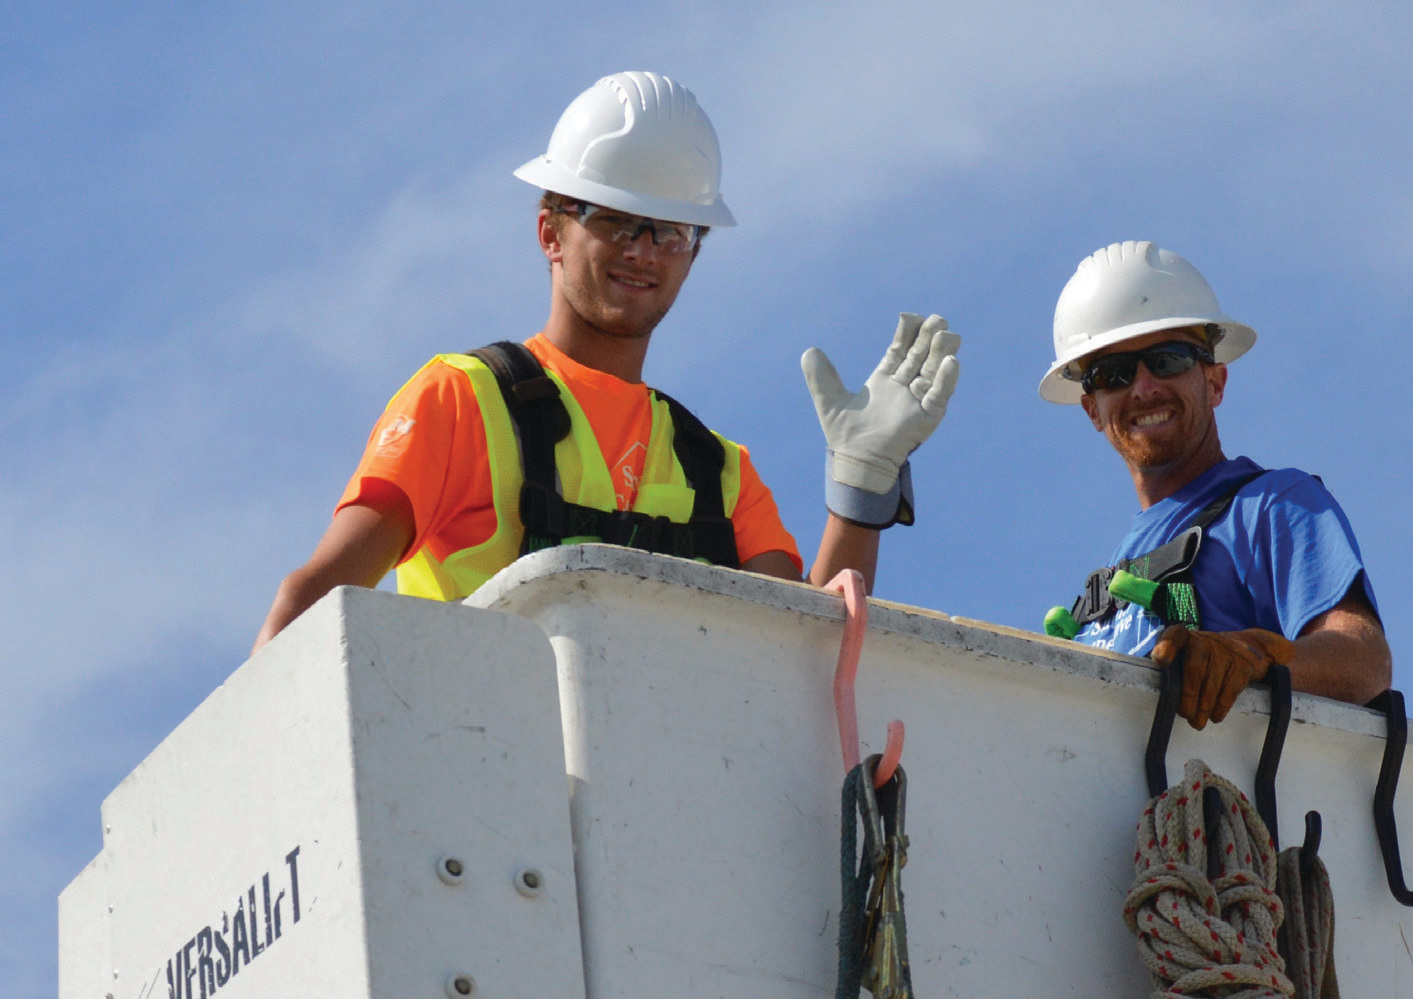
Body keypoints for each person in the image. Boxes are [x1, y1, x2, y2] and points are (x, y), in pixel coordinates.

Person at [255, 71, 958, 652]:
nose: (644, 250)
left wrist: (860, 495)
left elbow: (800, 658)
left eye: (672, 231)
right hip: (480, 790)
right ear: (549, 233)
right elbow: (313, 602)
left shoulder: (718, 473)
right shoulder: (463, 403)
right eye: (616, 220)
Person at [1040, 241, 1390, 728]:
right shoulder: (1103, 598)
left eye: (1167, 360)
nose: (1143, 388)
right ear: (1093, 410)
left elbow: (1362, 659)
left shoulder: (1272, 505)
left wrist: (1253, 658)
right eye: (1113, 373)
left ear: (1215, 381)